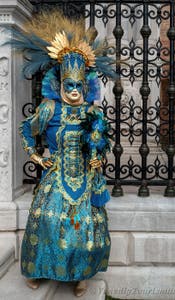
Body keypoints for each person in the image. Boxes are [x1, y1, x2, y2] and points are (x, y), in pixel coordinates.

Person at [8, 10, 116, 297]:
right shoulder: (48, 109)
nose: (74, 91)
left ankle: (81, 277)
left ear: (85, 84)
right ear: (60, 83)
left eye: (79, 85)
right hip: (55, 177)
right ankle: (37, 270)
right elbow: (25, 130)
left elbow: (101, 144)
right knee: (47, 224)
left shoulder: (93, 113)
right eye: (69, 85)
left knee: (83, 231)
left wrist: (98, 156)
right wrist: (35, 156)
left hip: (84, 178)